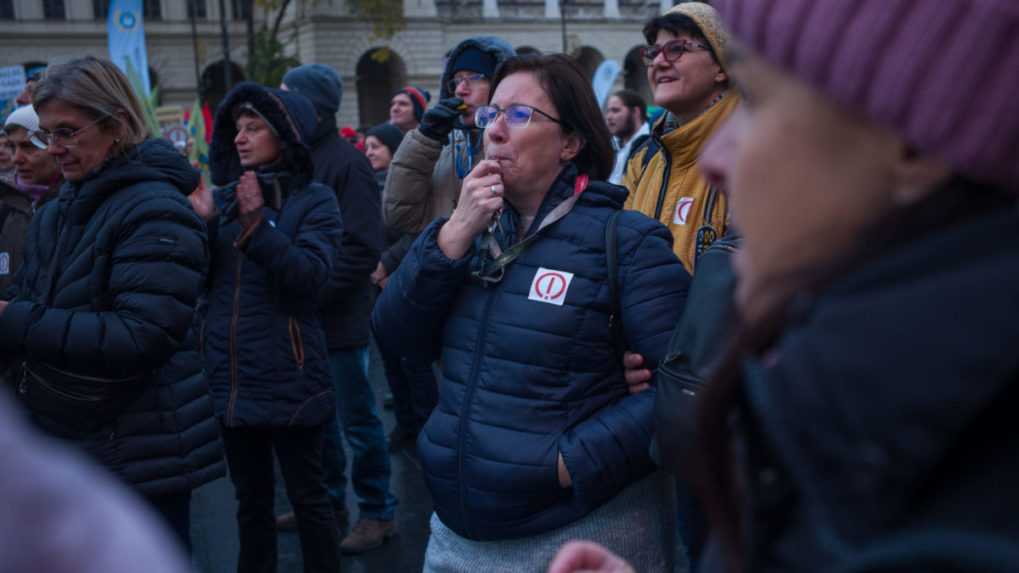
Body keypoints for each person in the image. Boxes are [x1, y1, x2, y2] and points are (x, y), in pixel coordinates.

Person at [556, 0, 1019, 572]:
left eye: (752, 101)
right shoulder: (842, 407)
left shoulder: (956, 520)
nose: (719, 158)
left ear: (912, 147)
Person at [373, 54, 691, 572]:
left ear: (570, 143)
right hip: (454, 536)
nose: (494, 131)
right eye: (489, 115)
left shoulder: (626, 242)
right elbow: (394, 338)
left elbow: (685, 387)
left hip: (575, 534)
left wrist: (571, 463)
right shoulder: (465, 236)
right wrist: (452, 234)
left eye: (518, 116)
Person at [0, 56, 224, 551]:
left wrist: (9, 318)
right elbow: (33, 298)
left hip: (141, 452)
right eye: (46, 134)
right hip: (75, 440)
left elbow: (141, 334)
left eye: (67, 133)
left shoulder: (157, 209)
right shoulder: (58, 208)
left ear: (117, 125)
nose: (53, 149)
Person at [199, 81, 343, 573]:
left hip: (291, 376)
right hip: (233, 379)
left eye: (254, 126)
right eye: (236, 128)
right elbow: (203, 283)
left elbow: (311, 277)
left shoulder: (315, 200)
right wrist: (198, 225)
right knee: (251, 503)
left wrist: (257, 222)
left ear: (286, 133)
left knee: (310, 500)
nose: (240, 138)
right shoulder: (220, 201)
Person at [279, 63, 397, 555]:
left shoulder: (347, 164)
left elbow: (360, 248)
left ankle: (377, 511)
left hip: (339, 319)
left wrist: (309, 286)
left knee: (358, 421)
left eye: (287, 98)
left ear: (312, 106)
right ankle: (329, 504)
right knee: (317, 421)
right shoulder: (294, 160)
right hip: (303, 317)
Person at [380, 35, 516, 451]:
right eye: (455, 79)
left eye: (475, 78)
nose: (461, 89)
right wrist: (425, 136)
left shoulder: (515, 144)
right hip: (447, 304)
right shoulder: (445, 144)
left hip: (500, 305)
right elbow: (401, 215)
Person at [622, 1, 739, 274]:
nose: (659, 63)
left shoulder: (752, 155)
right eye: (653, 53)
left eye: (676, 49)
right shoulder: (643, 159)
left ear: (721, 66)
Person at [1, 105, 62, 294]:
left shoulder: (81, 206)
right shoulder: (5, 206)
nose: (17, 158)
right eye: (13, 146)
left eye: (28, 146)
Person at [604, 90, 649, 185]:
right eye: (608, 111)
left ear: (636, 112)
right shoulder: (611, 145)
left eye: (615, 110)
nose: (608, 117)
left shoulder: (651, 146)